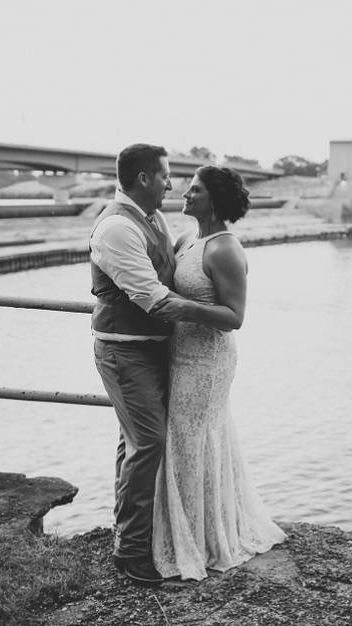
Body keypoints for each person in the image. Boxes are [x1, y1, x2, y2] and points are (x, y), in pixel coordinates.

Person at [150, 165, 286, 581]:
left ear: (215, 199)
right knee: (182, 441)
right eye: (188, 188)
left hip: (207, 361)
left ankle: (206, 541)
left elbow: (235, 317)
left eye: (195, 190)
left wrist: (185, 308)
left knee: (193, 441)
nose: (186, 195)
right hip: (179, 353)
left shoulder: (225, 249)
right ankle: (187, 531)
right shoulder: (189, 238)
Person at [90, 143, 179, 585]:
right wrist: (220, 317)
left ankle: (129, 533)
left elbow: (169, 269)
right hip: (124, 351)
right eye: (165, 175)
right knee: (148, 443)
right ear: (144, 178)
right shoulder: (116, 229)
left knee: (136, 443)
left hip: (151, 348)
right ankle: (130, 551)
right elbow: (152, 297)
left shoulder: (155, 218)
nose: (170, 183)